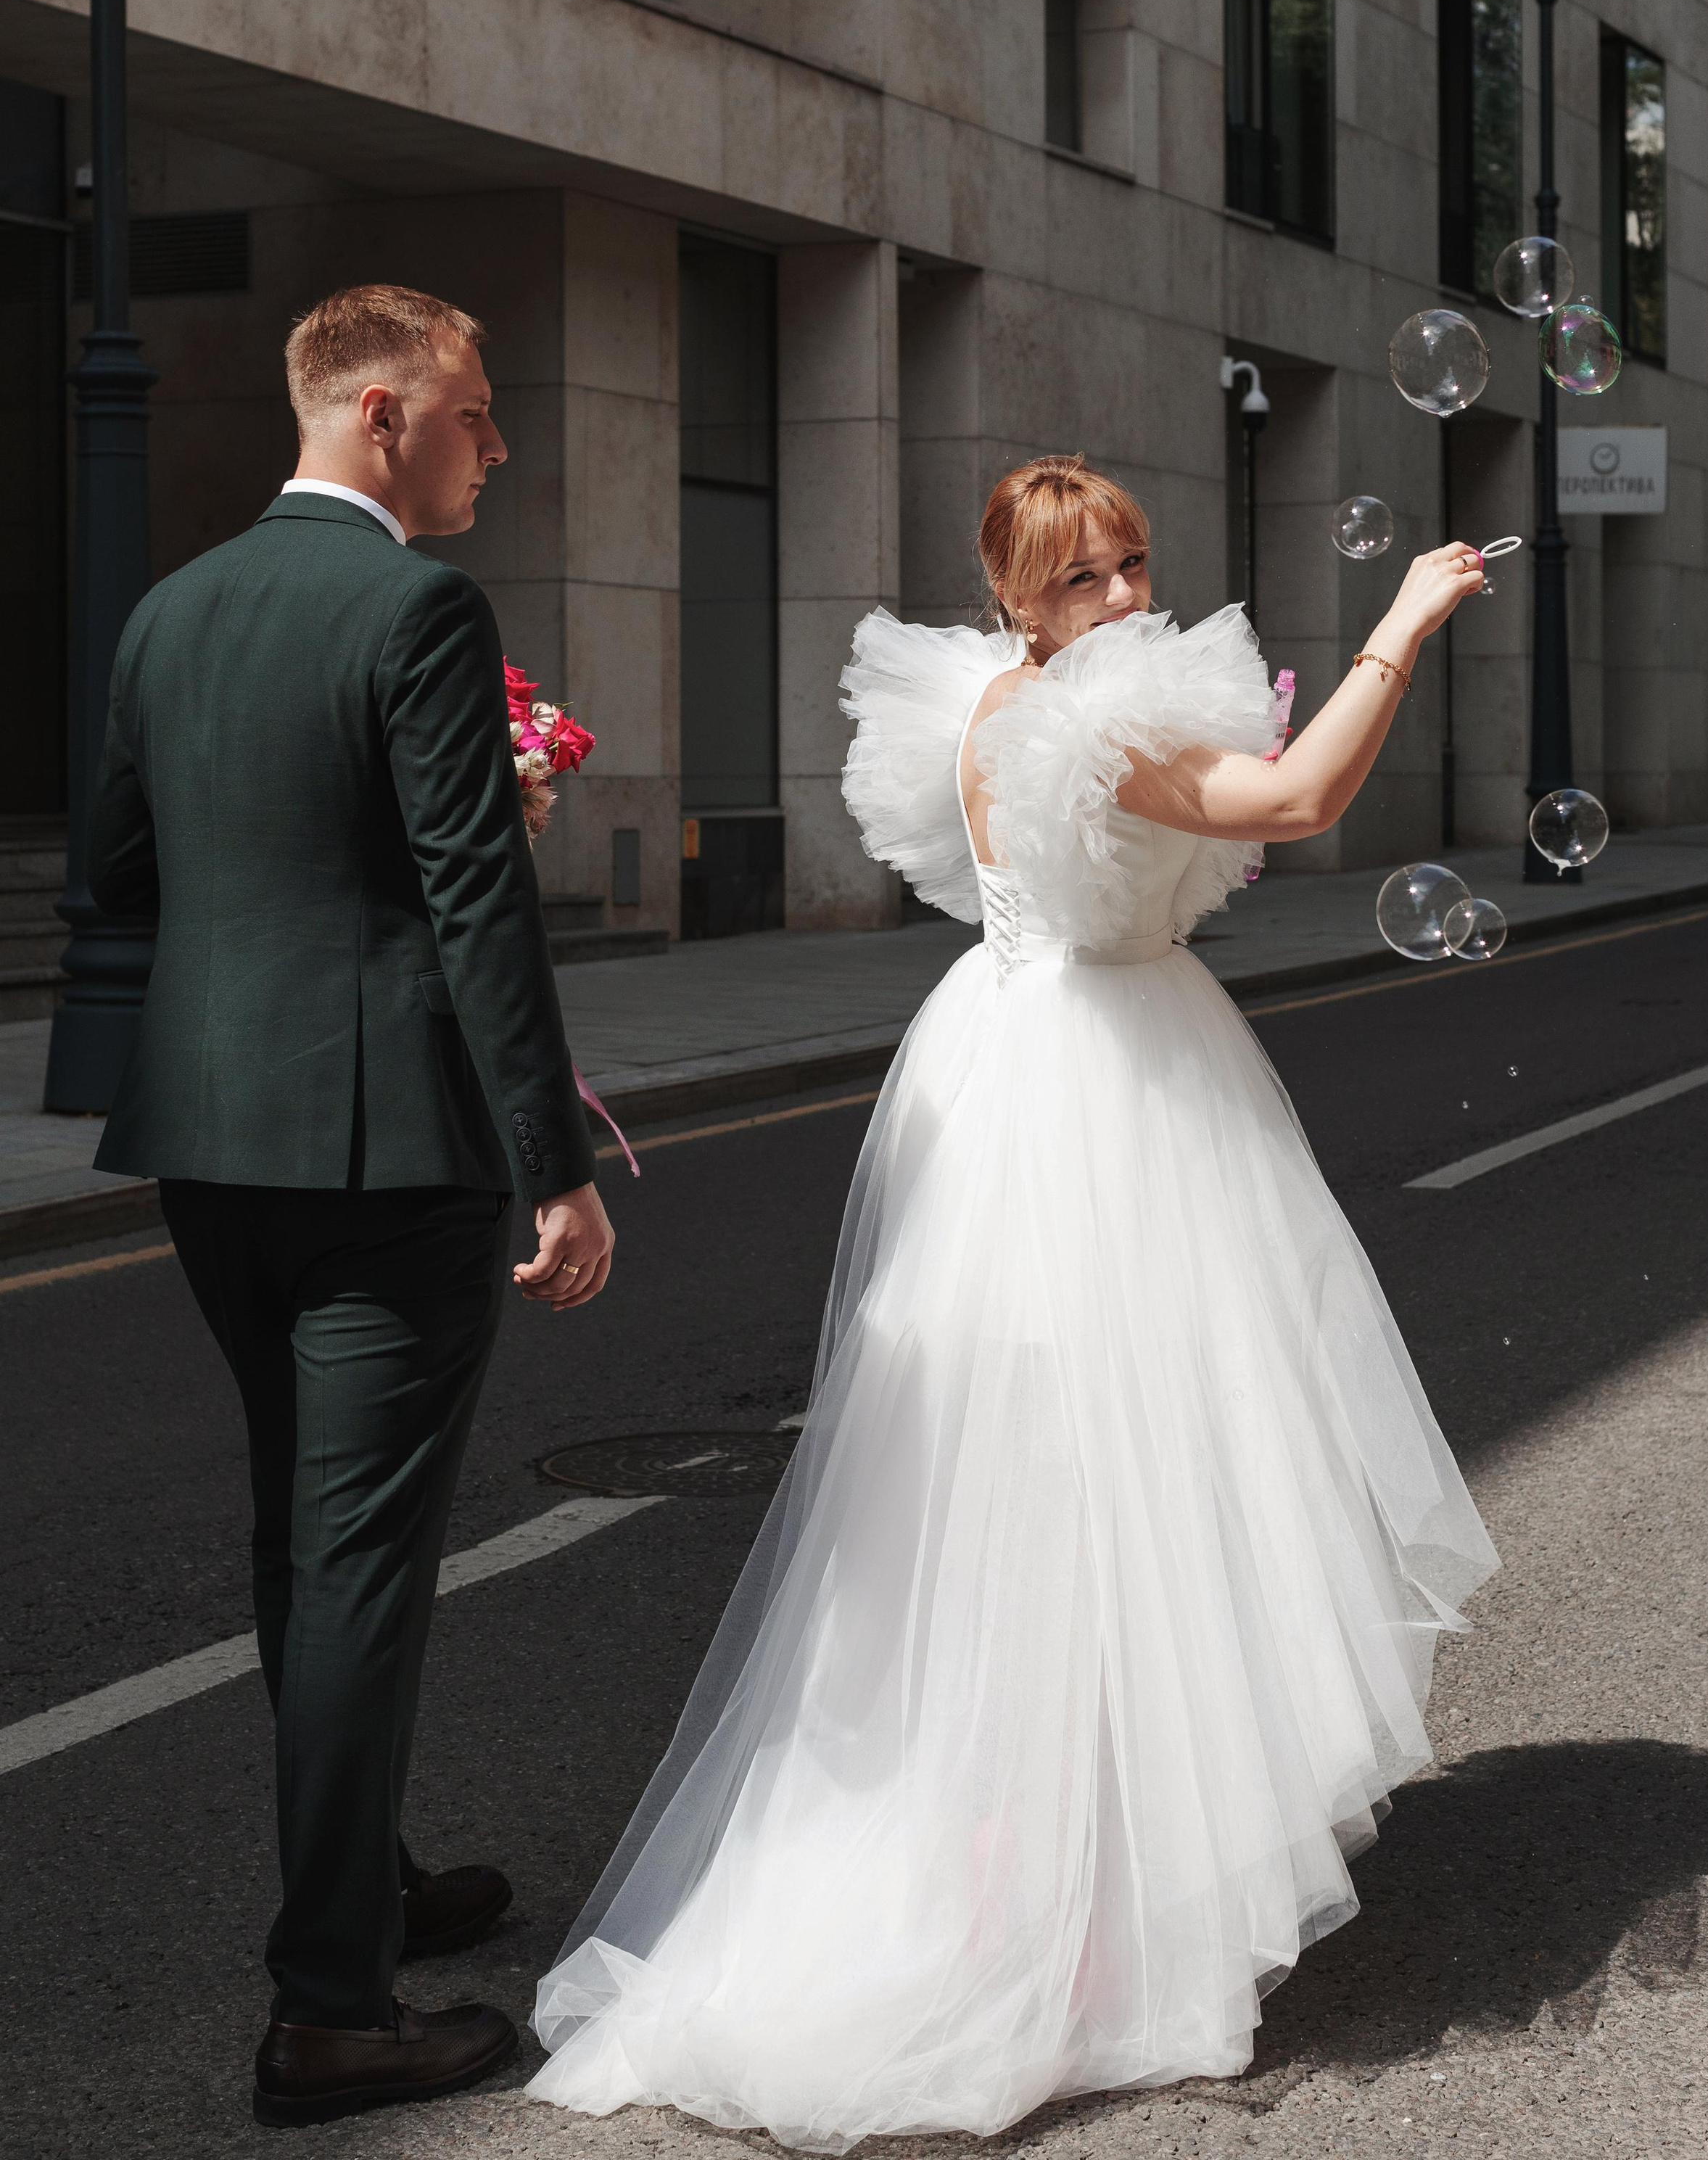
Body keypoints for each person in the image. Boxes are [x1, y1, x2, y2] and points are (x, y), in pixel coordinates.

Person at [528, 453, 1496, 2147]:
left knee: (1057, 1502)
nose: (1119, 600)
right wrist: (1400, 626)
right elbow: (1285, 808)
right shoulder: (1091, 726)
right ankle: (1056, 1922)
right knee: (1096, 1498)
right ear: (1008, 602)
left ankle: (1080, 1874)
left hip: (1020, 1062)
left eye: (1130, 564)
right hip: (1099, 1107)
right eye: (1076, 581)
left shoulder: (994, 705)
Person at [88, 283, 618, 2129]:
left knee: (298, 1541)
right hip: (391, 1153)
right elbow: (473, 904)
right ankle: (330, 2008)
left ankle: (367, 1881)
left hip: (209, 1141)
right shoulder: (412, 603)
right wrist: (550, 1160)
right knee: (360, 1563)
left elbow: (118, 869)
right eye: (476, 413)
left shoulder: (168, 610)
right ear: (382, 413)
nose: (495, 444)